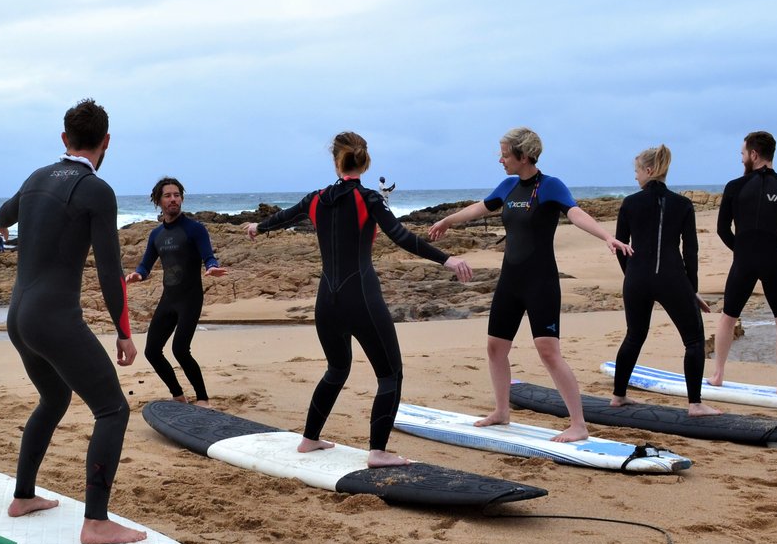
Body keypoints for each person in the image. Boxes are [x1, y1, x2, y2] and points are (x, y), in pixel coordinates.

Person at [246, 132, 473, 467]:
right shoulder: (369, 199)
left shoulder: (315, 198)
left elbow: (283, 219)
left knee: (336, 369)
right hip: (362, 298)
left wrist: (257, 227)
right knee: (390, 375)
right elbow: (402, 237)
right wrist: (448, 260)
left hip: (327, 301)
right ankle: (378, 452)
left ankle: (310, 438)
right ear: (365, 162)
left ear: (335, 159)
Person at [0, 99, 146, 544]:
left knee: (54, 398)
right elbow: (110, 271)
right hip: (54, 319)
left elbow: (0, 218)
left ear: (64, 138)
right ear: (106, 141)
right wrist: (125, 333)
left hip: (18, 318)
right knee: (112, 408)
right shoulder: (97, 190)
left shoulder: (37, 178)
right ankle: (96, 522)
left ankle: (23, 497)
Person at [428, 127, 631, 441]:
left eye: (506, 154)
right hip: (510, 281)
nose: (500, 160)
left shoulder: (550, 186)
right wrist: (447, 220)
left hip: (541, 281)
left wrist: (607, 236)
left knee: (548, 351)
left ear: (524, 156)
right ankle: (501, 411)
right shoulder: (508, 186)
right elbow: (479, 208)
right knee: (495, 347)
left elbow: (575, 213)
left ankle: (578, 424)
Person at [608, 145, 721, 417]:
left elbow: (620, 246)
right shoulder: (683, 204)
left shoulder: (630, 203)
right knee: (693, 340)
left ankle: (618, 396)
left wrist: (632, 274)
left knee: (634, 336)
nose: (635, 177)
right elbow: (690, 251)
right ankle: (695, 404)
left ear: (648, 171)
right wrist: (691, 289)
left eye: (636, 171)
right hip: (672, 278)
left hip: (637, 279)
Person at [711, 130, 777, 393]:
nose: (741, 158)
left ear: (753, 154)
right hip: (775, 260)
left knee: (728, 318)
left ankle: (718, 375)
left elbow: (722, 229)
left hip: (743, 261)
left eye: (742, 153)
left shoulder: (734, 187)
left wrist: (741, 250)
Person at [126, 177, 228, 405]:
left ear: (181, 198)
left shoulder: (195, 229)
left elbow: (208, 256)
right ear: (158, 201)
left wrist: (212, 267)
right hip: (168, 299)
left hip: (190, 298)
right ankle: (178, 396)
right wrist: (138, 274)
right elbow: (146, 264)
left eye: (176, 195)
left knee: (180, 349)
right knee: (152, 351)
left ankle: (202, 399)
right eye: (167, 195)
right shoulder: (156, 235)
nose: (173, 199)